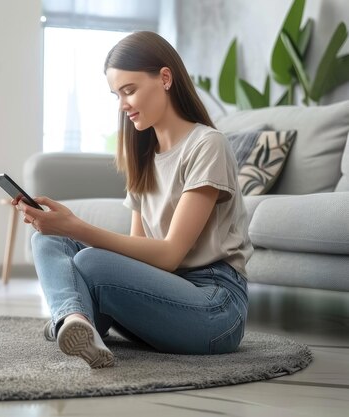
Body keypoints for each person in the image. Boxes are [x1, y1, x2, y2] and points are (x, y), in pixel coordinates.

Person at [14, 31, 253, 369]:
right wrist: (64, 228)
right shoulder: (144, 156)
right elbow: (137, 256)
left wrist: (78, 227)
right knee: (47, 240)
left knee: (91, 261)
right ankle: (75, 320)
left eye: (129, 90)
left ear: (165, 78)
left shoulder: (207, 145)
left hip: (215, 309)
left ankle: (72, 315)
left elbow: (170, 254)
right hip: (165, 296)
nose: (122, 104)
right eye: (116, 95)